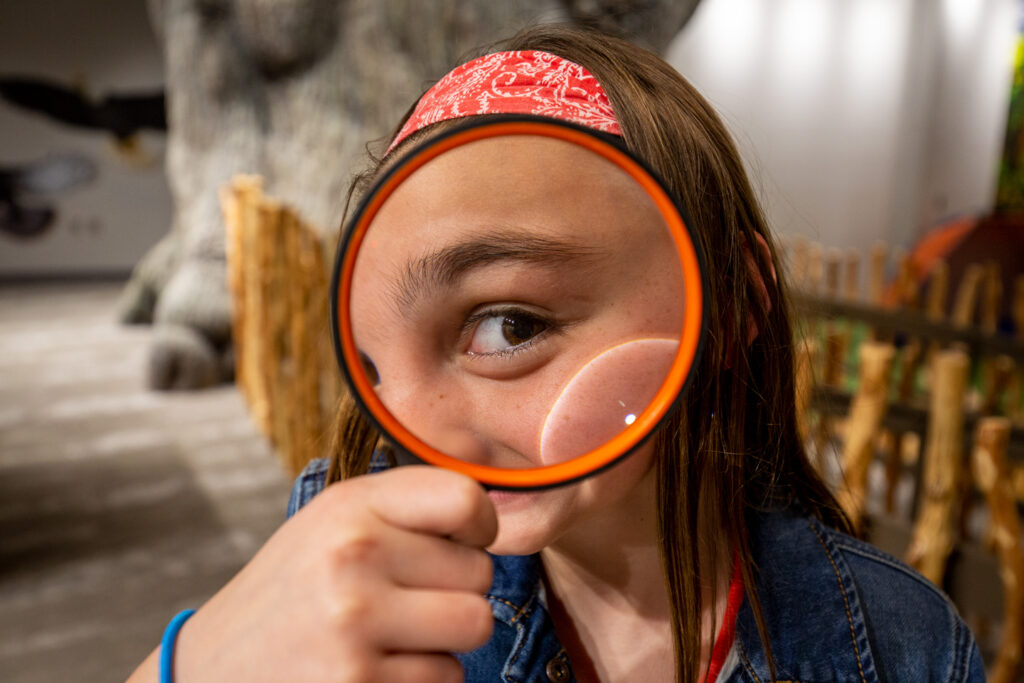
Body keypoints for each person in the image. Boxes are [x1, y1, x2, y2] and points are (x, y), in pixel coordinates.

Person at [128, 24, 984, 683]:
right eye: (377, 364)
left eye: (509, 326)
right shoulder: (349, 578)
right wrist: (199, 660)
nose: (416, 439)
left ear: (732, 307)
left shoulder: (899, 641)